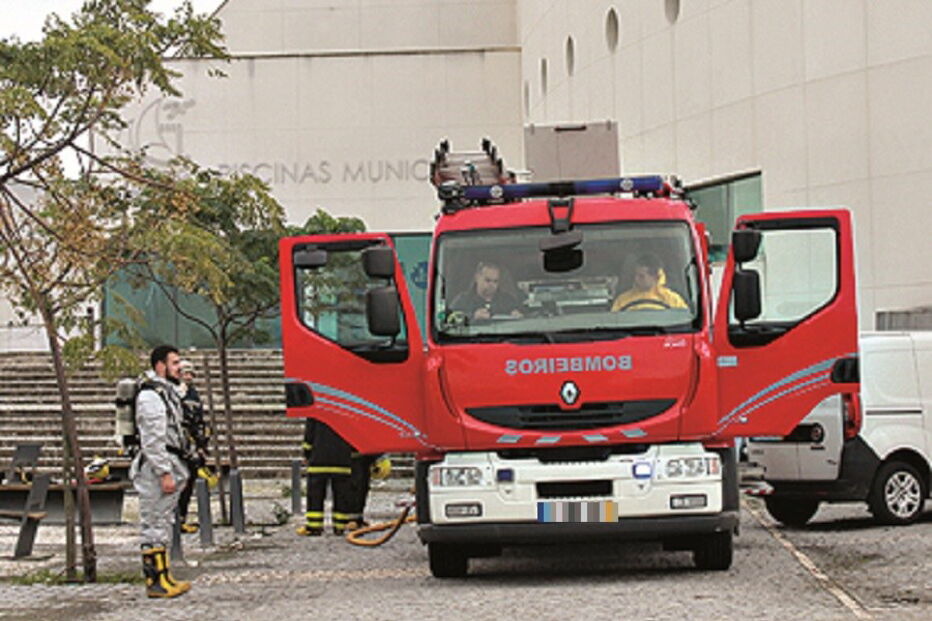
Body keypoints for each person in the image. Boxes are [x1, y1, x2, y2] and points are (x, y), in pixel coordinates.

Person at [130, 345, 192, 598]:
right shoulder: (151, 396)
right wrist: (164, 472)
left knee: (163, 523)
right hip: (155, 469)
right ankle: (154, 582)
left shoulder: (166, 392)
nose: (180, 368)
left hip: (170, 463)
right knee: (153, 524)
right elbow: (153, 439)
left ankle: (164, 576)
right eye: (175, 363)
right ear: (160, 365)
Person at [297, 418, 354, 536]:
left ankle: (314, 527)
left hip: (318, 460)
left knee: (315, 495)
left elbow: (309, 435)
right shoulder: (346, 410)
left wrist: (307, 453)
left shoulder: (316, 411)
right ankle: (340, 526)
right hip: (342, 460)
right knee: (341, 495)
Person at [175, 359, 210, 534]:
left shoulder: (193, 393)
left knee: (189, 484)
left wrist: (203, 445)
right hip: (179, 445)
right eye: (185, 373)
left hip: (193, 446)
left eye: (191, 374)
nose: (188, 377)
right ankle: (175, 519)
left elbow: (199, 421)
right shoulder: (175, 393)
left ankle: (181, 518)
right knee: (180, 483)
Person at [611, 253, 688, 312]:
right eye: (635, 275)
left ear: (655, 277)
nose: (636, 279)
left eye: (641, 276)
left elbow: (684, 320)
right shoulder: (622, 300)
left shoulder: (672, 299)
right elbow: (614, 322)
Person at [450, 261, 523, 321]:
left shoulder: (508, 300)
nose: (492, 285)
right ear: (477, 278)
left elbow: (524, 318)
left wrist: (517, 315)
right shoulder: (462, 300)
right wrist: (473, 317)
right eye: (488, 280)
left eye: (495, 281)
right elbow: (450, 320)